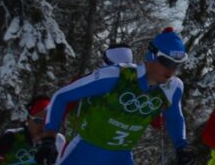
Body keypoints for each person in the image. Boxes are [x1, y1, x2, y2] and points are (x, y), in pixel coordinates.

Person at [36, 27, 193, 165]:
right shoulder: (116, 76)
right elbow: (61, 96)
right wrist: (49, 138)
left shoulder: (173, 87)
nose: (171, 70)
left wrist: (181, 146)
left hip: (121, 156)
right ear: (151, 55)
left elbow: (174, 117)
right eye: (166, 62)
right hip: (85, 151)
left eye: (176, 64)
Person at [0, 97, 61, 165]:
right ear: (28, 119)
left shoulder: (55, 144)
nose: (43, 126)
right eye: (38, 121)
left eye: (47, 122)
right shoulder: (11, 138)